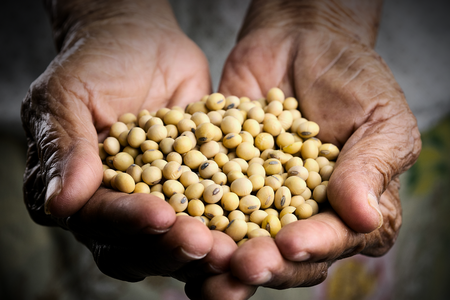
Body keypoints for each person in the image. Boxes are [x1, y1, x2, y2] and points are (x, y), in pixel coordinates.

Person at [21, 0, 421, 299]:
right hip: (76, 103)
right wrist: (108, 17)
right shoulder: (150, 144)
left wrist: (315, 14)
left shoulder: (283, 149)